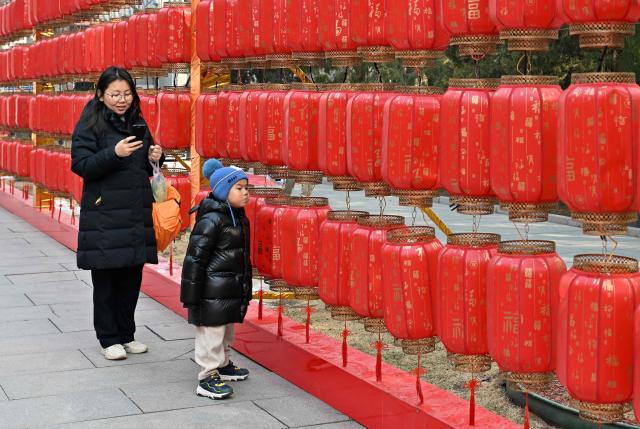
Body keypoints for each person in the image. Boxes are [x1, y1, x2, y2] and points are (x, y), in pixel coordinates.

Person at [71, 66, 164, 361]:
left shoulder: (136, 119)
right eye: (115, 94)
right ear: (101, 94)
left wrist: (156, 157)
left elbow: (148, 165)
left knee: (131, 276)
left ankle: (127, 334)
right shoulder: (90, 121)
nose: (122, 99)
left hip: (135, 210)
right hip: (104, 213)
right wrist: (115, 153)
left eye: (126, 93)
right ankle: (108, 336)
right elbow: (81, 164)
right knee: (107, 279)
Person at [181, 159, 253, 400]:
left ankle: (223, 364)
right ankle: (207, 375)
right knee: (211, 333)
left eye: (247, 188)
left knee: (226, 330)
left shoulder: (239, 218)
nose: (245, 193)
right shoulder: (211, 219)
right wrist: (191, 294)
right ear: (224, 191)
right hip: (209, 292)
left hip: (228, 289)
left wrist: (244, 288)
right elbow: (195, 258)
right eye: (239, 188)